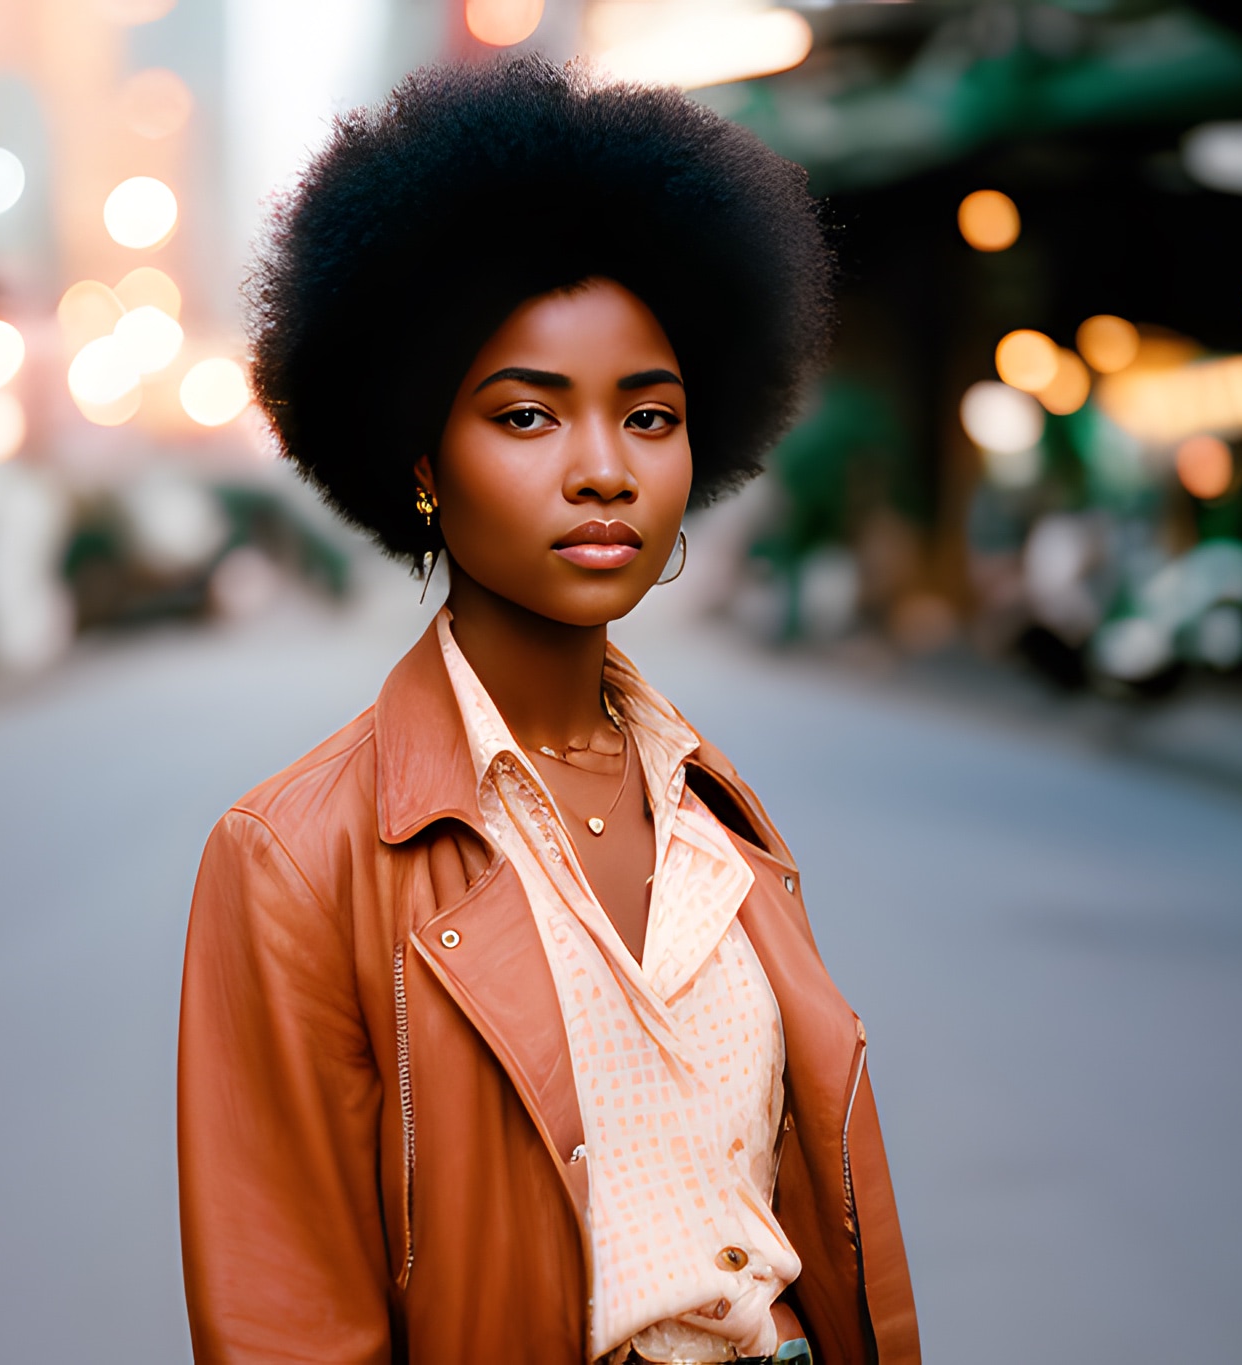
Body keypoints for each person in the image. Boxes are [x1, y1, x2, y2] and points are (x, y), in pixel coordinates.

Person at [177, 56, 920, 1365]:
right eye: (527, 414)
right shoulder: (297, 858)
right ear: (421, 460)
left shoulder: (720, 818)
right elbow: (286, 1324)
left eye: (651, 415)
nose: (602, 470)